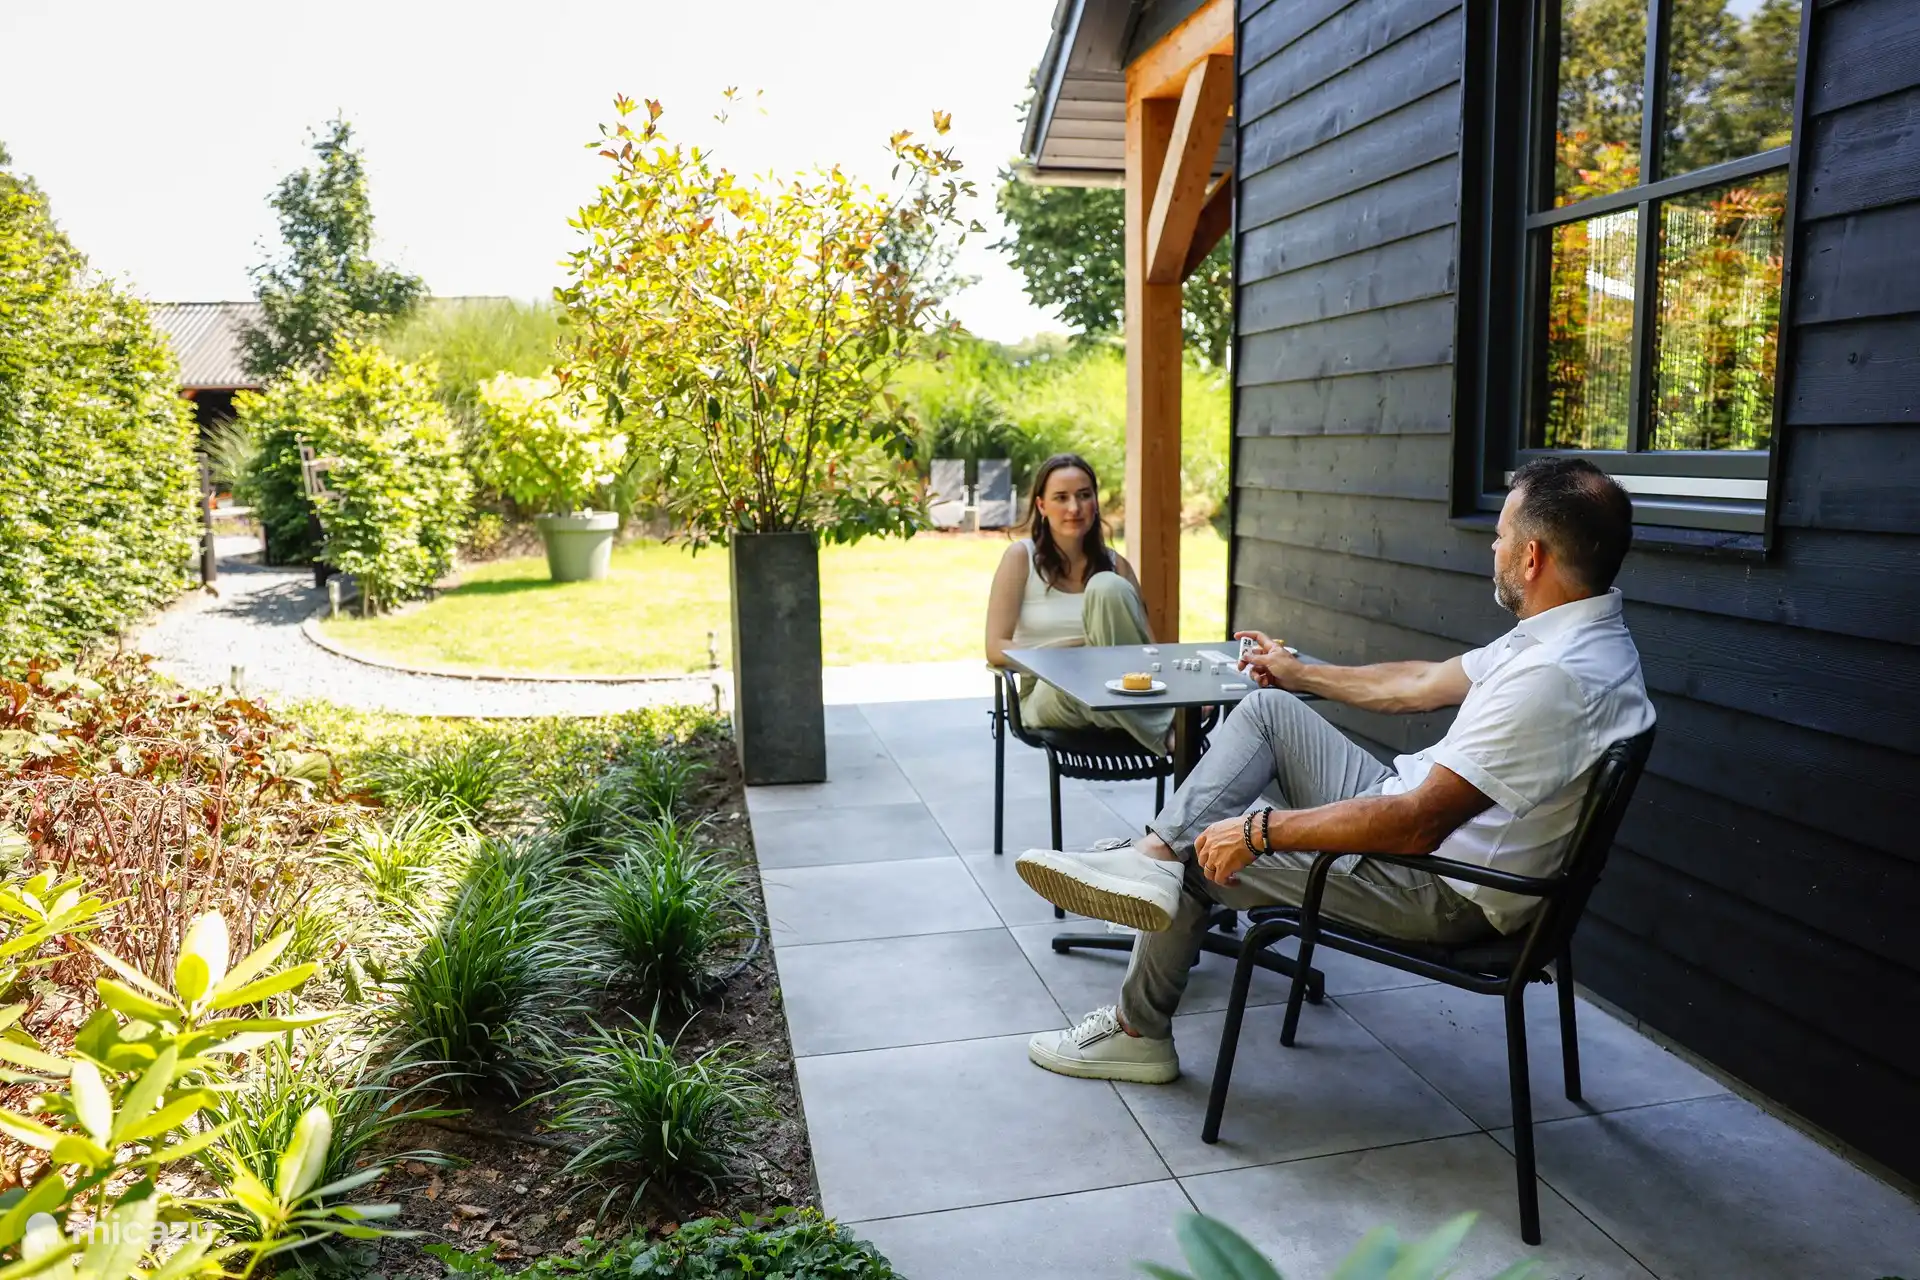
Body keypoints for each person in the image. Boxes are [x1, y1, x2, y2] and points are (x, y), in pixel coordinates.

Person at [1015, 457, 1656, 1084]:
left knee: (1203, 851)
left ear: (1532, 558)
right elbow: (1421, 682)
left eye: (1500, 538)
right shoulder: (1570, 635)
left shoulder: (1554, 678)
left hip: (1439, 888)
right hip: (1415, 826)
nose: (1493, 549)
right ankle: (1150, 856)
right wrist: (1300, 675)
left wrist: (1260, 831)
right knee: (1268, 711)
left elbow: (1415, 827)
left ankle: (1137, 1031)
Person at [985, 452, 1172, 756]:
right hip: (1047, 691)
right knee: (1081, 682)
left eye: (1084, 496)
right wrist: (1070, 653)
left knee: (1106, 585)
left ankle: (1141, 722)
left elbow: (1145, 650)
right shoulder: (1020, 559)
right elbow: (995, 648)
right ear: (1041, 506)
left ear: (1095, 503)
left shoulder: (1117, 566)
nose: (1074, 508)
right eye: (1061, 497)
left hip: (1114, 687)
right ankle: (1168, 732)